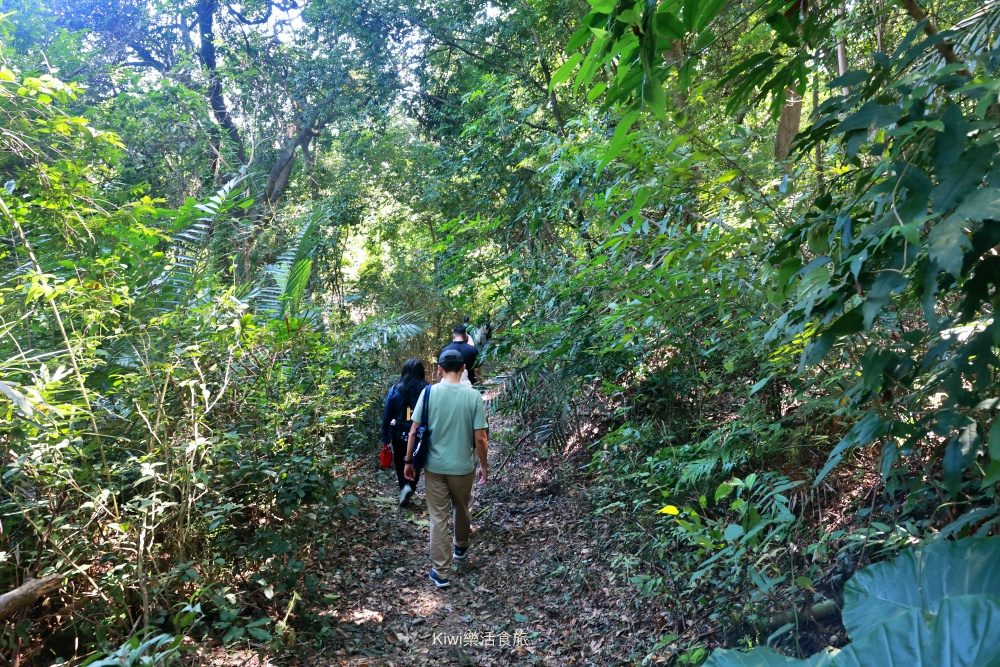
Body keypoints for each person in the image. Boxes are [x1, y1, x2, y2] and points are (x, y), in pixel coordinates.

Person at [403, 349, 488, 589]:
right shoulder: (473, 396)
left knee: (438, 517)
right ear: (464, 369)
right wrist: (484, 465)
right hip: (463, 467)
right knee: (462, 507)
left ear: (439, 369)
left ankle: (441, 573)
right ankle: (460, 548)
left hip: (434, 467)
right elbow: (480, 437)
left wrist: (408, 463)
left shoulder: (428, 393)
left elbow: (413, 430)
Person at [380, 358, 429, 507]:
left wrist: (385, 438)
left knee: (401, 462)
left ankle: (404, 487)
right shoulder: (427, 389)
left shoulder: (395, 389)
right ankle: (411, 487)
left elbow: (387, 415)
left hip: (399, 431)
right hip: (419, 433)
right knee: (416, 460)